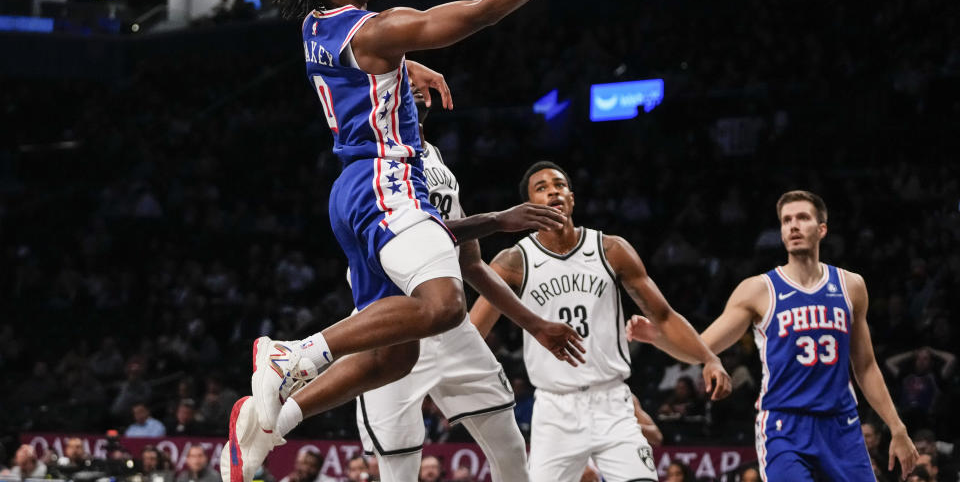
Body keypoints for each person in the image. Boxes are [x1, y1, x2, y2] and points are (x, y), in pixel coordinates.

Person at [223, 0, 592, 482]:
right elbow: (473, 15)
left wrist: (403, 64)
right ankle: (292, 354)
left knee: (396, 356)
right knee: (444, 307)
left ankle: (275, 420)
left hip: (353, 193)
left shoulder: (315, 26)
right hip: (382, 179)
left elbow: (364, 60)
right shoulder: (377, 28)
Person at [354, 86, 581, 482]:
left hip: (450, 322)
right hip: (395, 320)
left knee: (510, 446)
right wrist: (496, 219)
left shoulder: (434, 156)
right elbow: (411, 232)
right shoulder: (372, 158)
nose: (415, 91)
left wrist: (536, 324)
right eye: (403, 83)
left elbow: (471, 262)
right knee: (400, 467)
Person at [470, 161, 732, 482]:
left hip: (612, 403)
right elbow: (474, 331)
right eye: (542, 187)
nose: (553, 190)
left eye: (560, 184)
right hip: (555, 409)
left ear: (572, 198)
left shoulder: (611, 250)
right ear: (529, 207)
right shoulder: (514, 261)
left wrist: (707, 357)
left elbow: (663, 315)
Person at [632, 190, 919, 481]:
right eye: (786, 220)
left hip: (841, 424)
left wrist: (897, 427)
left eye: (803, 218)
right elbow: (702, 348)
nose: (793, 226)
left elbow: (866, 366)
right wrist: (659, 338)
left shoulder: (851, 286)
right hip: (785, 426)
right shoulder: (758, 289)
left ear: (822, 229)